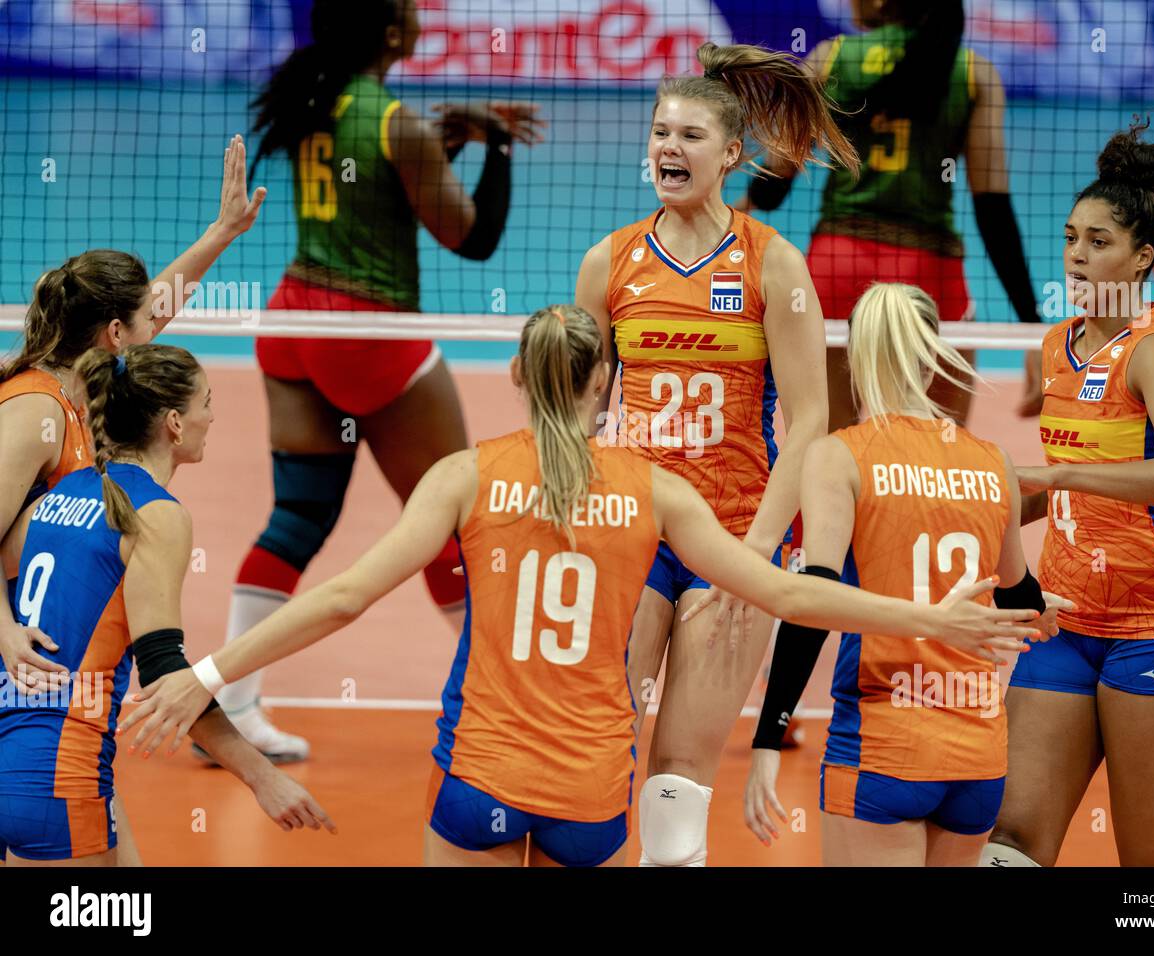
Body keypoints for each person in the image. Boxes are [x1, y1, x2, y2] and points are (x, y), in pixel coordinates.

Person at [115, 305, 1039, 867]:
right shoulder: (662, 493)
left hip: (480, 776)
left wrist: (205, 674)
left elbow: (346, 596)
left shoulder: (467, 476)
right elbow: (793, 595)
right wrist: (932, 618)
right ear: (612, 382)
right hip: (590, 799)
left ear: (515, 373)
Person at [220, 0, 544, 761]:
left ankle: (230, 706)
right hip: (371, 335)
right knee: (454, 524)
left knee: (297, 519)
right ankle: (504, 711)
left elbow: (375, 187)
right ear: (394, 33)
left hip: (296, 321)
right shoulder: (394, 120)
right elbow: (474, 239)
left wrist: (440, 147)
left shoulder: (315, 97)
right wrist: (495, 144)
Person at [574, 41, 858, 866]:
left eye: (691, 135)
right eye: (661, 132)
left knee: (676, 775)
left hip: (732, 533)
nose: (669, 147)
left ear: (732, 154)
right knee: (599, 736)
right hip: (629, 526)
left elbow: (811, 419)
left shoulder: (775, 264)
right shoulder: (611, 260)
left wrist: (755, 555)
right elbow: (583, 406)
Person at [0, 137, 265, 863]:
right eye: (143, 322)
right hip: (29, 685)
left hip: (58, 698)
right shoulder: (38, 412)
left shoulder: (87, 387)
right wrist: (3, 626)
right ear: (113, 334)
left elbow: (154, 307)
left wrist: (221, 234)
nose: (158, 324)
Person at [743, 283, 1068, 866]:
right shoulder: (991, 459)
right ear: (929, 355)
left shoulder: (838, 455)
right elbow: (1018, 595)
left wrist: (770, 734)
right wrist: (1041, 609)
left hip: (881, 746)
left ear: (855, 353)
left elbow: (812, 604)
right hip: (977, 759)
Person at [982, 125, 1154, 867]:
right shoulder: (1056, 346)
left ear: (1143, 256)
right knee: (1011, 842)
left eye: (1098, 242)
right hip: (1062, 621)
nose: (1079, 257)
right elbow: (1052, 486)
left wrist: (1057, 476)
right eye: (1070, 240)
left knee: (1150, 866)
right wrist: (975, 501)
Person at [0, 345, 334, 865]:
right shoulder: (155, 513)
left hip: (15, 753)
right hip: (60, 772)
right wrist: (262, 778)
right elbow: (164, 670)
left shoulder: (57, 495)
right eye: (207, 401)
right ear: (174, 423)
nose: (214, 415)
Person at [739, 0, 1042, 427]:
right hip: (930, 276)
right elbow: (992, 209)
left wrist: (742, 204)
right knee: (942, 452)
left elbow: (774, 185)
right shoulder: (974, 73)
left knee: (829, 444)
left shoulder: (831, 58)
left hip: (835, 270)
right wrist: (1032, 328)